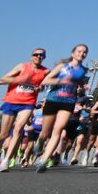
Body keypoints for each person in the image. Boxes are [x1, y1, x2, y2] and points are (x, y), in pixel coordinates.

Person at [35, 44, 90, 172]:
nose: (82, 53)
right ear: (73, 53)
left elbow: (78, 81)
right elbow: (46, 80)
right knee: (45, 132)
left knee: (58, 130)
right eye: (79, 51)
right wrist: (61, 81)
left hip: (69, 101)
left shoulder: (83, 70)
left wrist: (83, 86)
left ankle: (44, 160)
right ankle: (40, 142)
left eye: (84, 52)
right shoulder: (62, 66)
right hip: (53, 99)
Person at [0, 46, 48, 172]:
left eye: (42, 55)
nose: (39, 57)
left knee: (18, 128)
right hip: (11, 101)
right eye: (36, 54)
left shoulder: (45, 71)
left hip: (28, 103)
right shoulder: (22, 67)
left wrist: (41, 88)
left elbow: (45, 85)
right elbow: (1, 80)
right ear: (31, 56)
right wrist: (20, 79)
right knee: (4, 134)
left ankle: (5, 161)